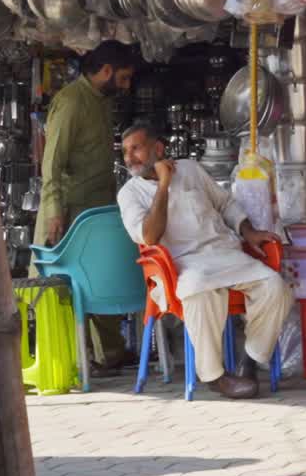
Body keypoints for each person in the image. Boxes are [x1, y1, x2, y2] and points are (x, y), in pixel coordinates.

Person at [116, 122, 293, 399]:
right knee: (200, 290)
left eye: (136, 148)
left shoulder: (189, 169)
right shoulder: (129, 194)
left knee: (275, 287)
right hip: (180, 265)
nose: (129, 158)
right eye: (125, 151)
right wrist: (163, 184)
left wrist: (249, 231)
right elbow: (150, 236)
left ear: (158, 148)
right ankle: (215, 376)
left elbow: (225, 204)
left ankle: (250, 361)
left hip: (225, 254)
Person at [36, 40, 135, 376]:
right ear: (105, 71)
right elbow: (51, 163)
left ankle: (110, 354)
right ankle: (72, 360)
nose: (126, 86)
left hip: (98, 208)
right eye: (122, 78)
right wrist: (53, 212)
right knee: (67, 289)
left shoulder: (100, 101)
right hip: (68, 213)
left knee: (102, 281)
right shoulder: (71, 102)